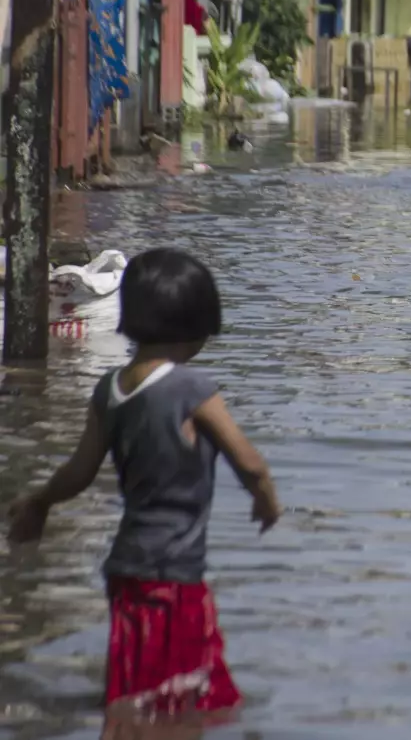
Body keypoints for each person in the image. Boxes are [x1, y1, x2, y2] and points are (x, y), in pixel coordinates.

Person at [6, 248, 282, 722]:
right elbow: (249, 462)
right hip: (173, 573)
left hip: (125, 569)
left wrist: (39, 501)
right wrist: (267, 502)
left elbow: (79, 470)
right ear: (199, 326)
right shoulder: (193, 389)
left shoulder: (109, 389)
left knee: (134, 682)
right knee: (187, 695)